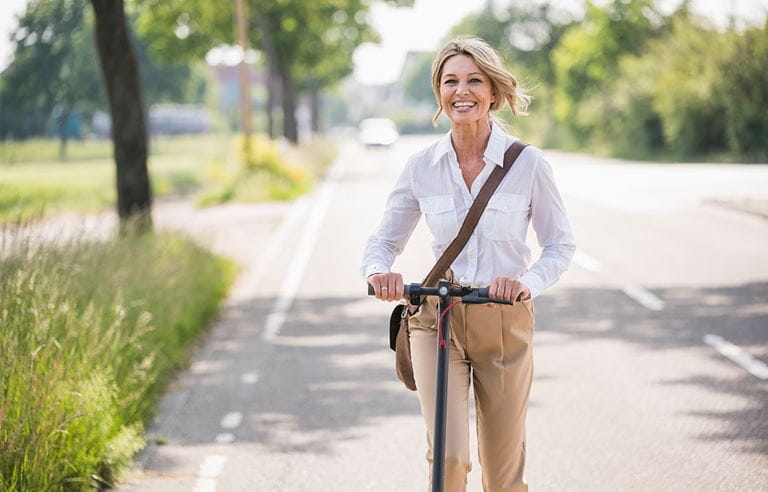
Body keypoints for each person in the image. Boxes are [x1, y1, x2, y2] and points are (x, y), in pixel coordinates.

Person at [361, 36, 576, 492]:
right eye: (450, 81)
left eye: (474, 80)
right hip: (436, 319)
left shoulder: (527, 163)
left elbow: (559, 245)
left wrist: (524, 283)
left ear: (494, 92)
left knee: (501, 474)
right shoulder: (422, 165)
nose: (462, 90)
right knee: (449, 460)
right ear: (439, 93)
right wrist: (379, 273)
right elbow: (384, 239)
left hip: (503, 318)